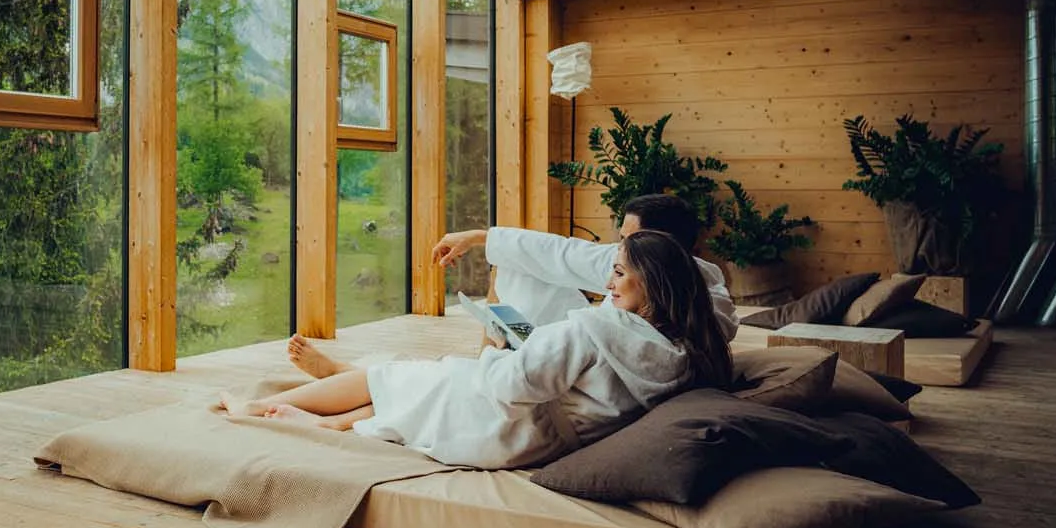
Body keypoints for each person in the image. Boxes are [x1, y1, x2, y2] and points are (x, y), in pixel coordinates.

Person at [220, 231, 732, 470]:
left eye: (618, 272)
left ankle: (268, 407)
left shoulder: (594, 329)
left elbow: (505, 387)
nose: (608, 281)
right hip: (551, 439)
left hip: (507, 432)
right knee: (422, 380)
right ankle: (336, 414)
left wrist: (499, 350)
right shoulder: (685, 351)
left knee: (403, 375)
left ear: (653, 282)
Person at [431, 193, 738, 340]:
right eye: (621, 240)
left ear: (662, 245)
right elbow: (562, 253)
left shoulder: (702, 307)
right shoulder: (635, 265)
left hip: (576, 365)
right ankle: (495, 350)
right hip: (570, 350)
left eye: (631, 241)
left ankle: (492, 358)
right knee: (515, 262)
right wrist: (480, 238)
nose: (621, 251)